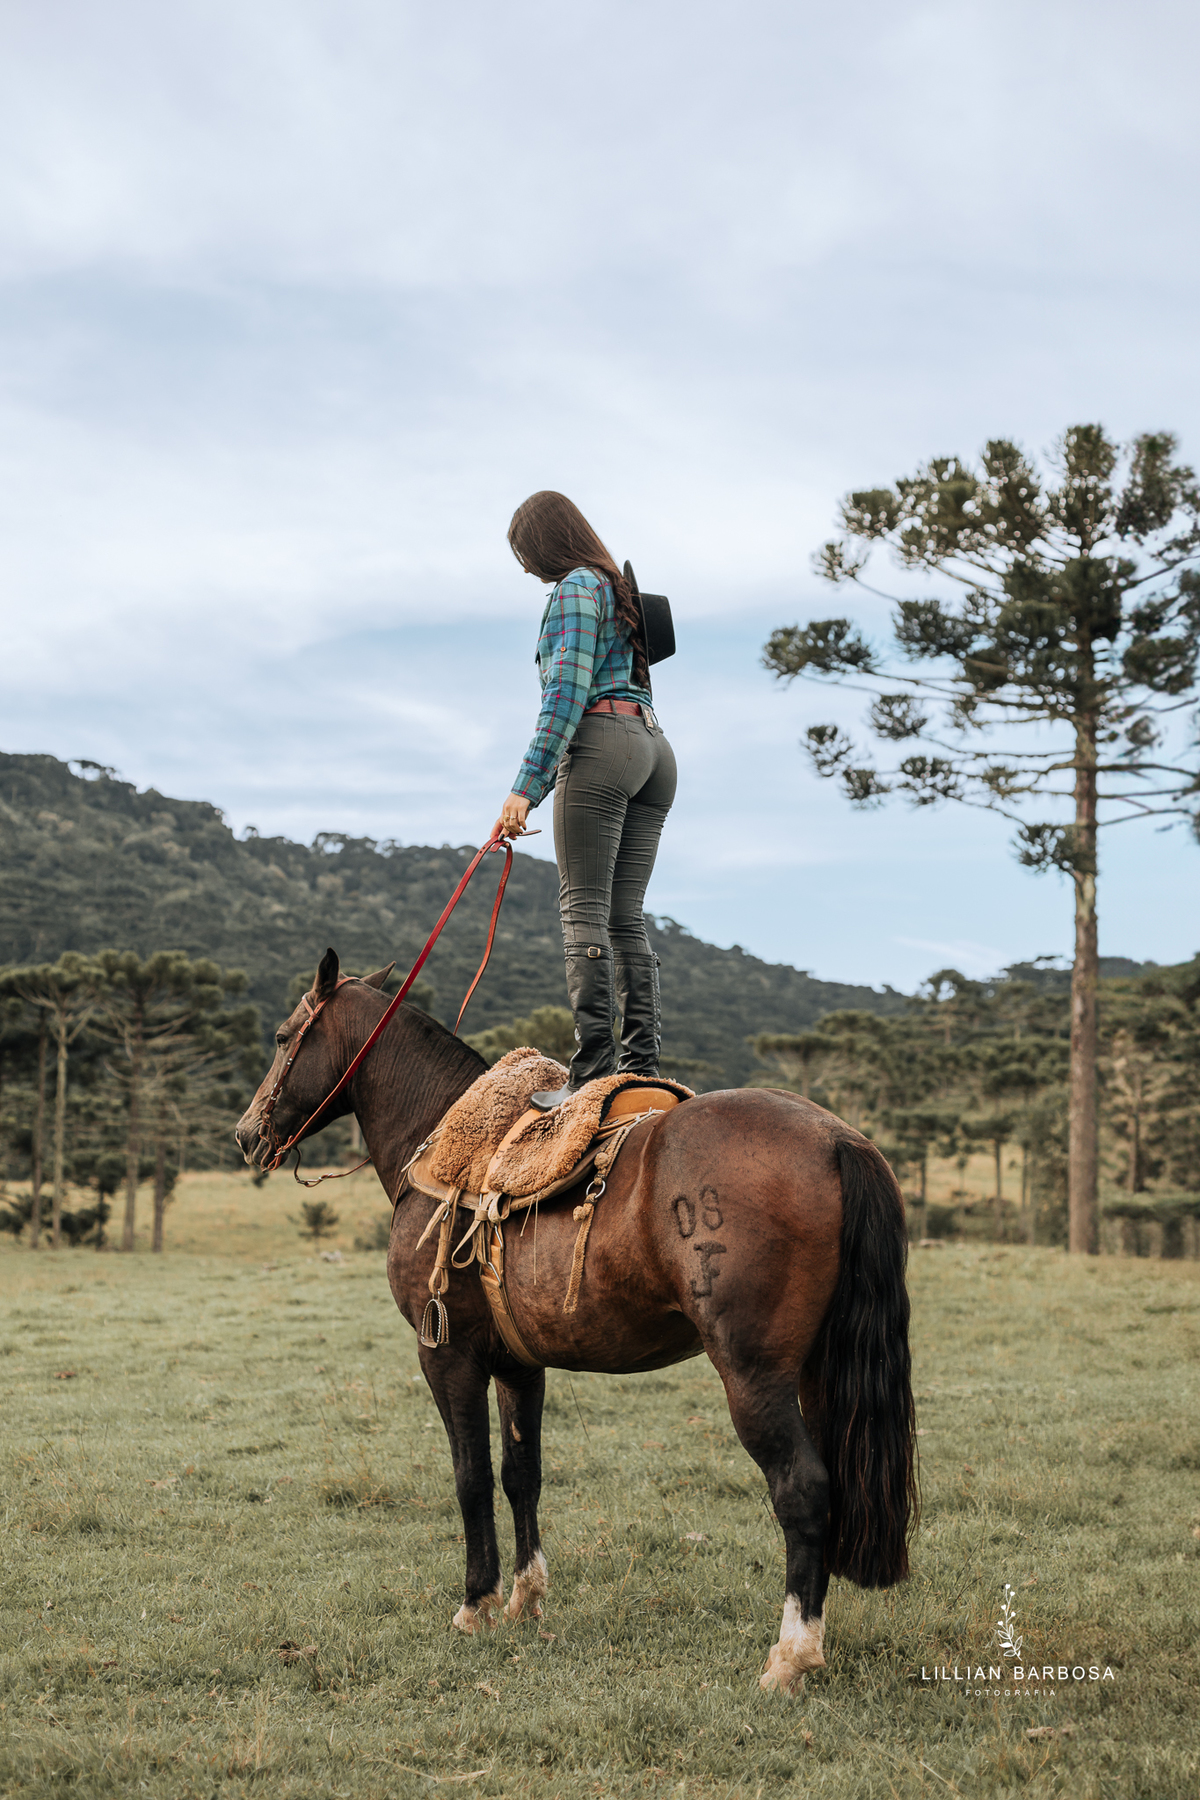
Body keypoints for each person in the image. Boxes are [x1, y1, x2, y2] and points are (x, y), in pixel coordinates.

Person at [492, 490, 677, 1110]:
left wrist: (526, 788)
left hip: (602, 745)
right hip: (654, 750)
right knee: (626, 915)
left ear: (545, 542)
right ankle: (643, 1066)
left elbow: (565, 693)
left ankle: (593, 1074)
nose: (523, 568)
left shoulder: (575, 586)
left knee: (583, 909)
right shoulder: (617, 590)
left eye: (524, 553)